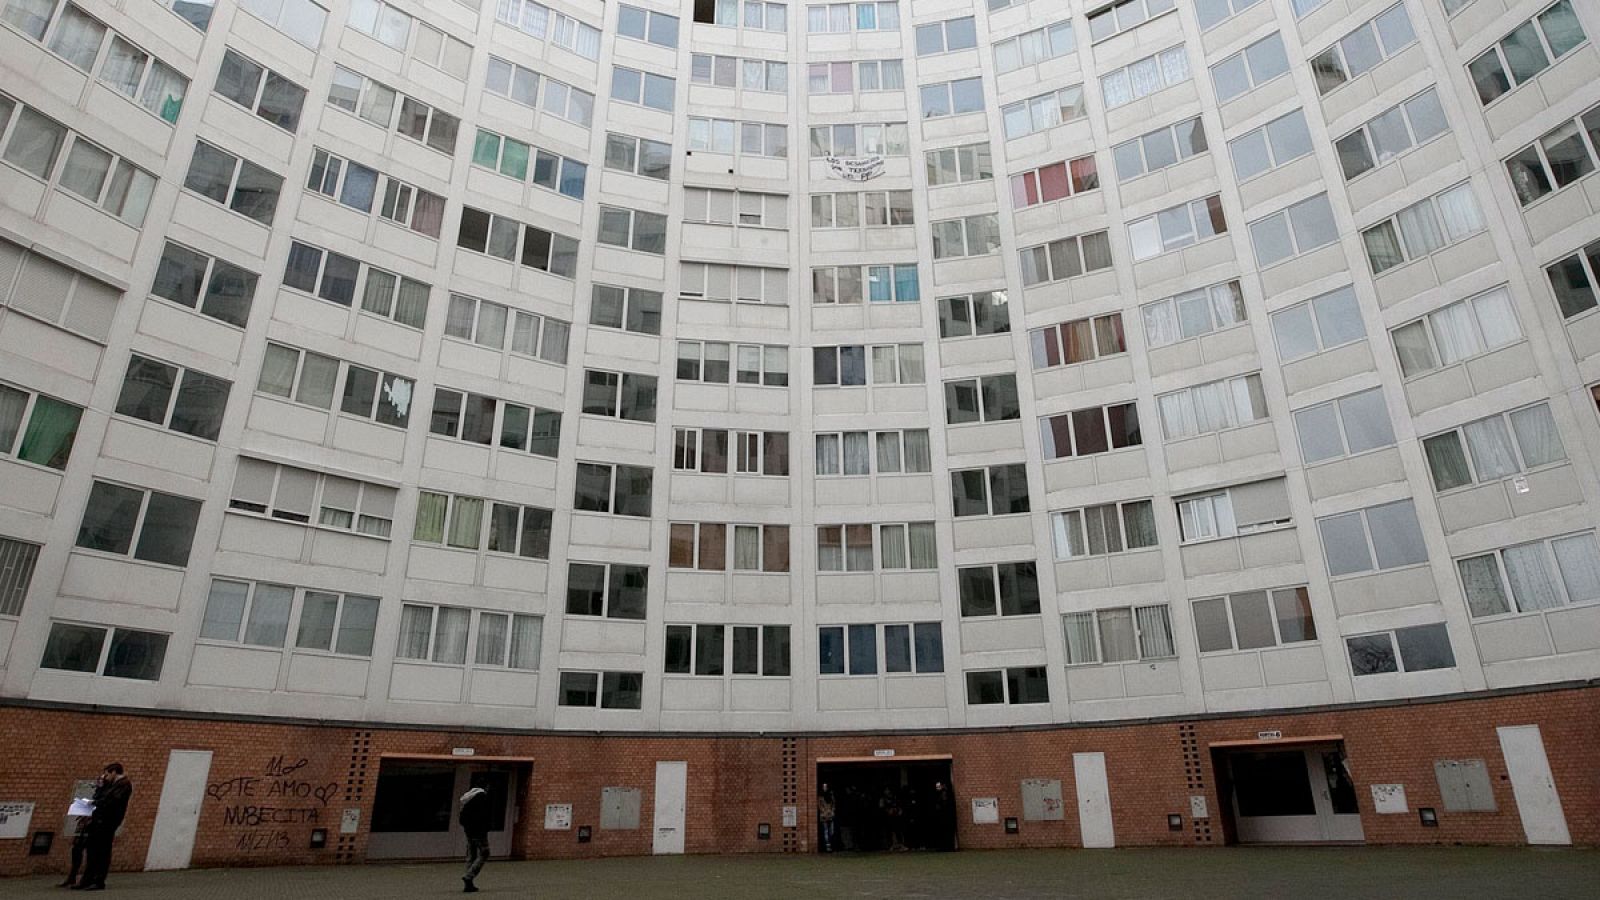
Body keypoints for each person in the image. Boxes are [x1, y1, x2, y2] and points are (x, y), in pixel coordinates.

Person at [74, 764, 131, 891]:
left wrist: (94, 803)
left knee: (102, 852)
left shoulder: (124, 785)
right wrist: (101, 787)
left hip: (108, 822)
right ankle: (87, 879)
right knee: (92, 850)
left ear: (114, 772)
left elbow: (111, 801)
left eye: (107, 774)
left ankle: (98, 880)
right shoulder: (111, 785)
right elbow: (101, 796)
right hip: (99, 820)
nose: (105, 777)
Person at [458, 785, 492, 893]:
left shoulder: (469, 799)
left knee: (471, 855)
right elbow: (485, 815)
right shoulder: (482, 798)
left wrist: (467, 827)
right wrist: (486, 827)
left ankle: (468, 884)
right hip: (479, 832)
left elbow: (462, 818)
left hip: (469, 831)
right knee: (484, 853)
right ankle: (469, 876)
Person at [58, 810, 90, 888]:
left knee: (90, 855)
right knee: (76, 851)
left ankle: (86, 880)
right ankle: (72, 877)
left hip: (91, 827)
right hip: (83, 827)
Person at [816, 784, 837, 852]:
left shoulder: (831, 796)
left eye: (826, 787)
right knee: (826, 831)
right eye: (823, 787)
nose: (824, 788)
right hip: (824, 816)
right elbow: (819, 806)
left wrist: (832, 811)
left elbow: (834, 804)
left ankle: (831, 843)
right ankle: (828, 845)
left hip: (830, 815)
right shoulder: (820, 797)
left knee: (832, 831)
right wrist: (825, 811)